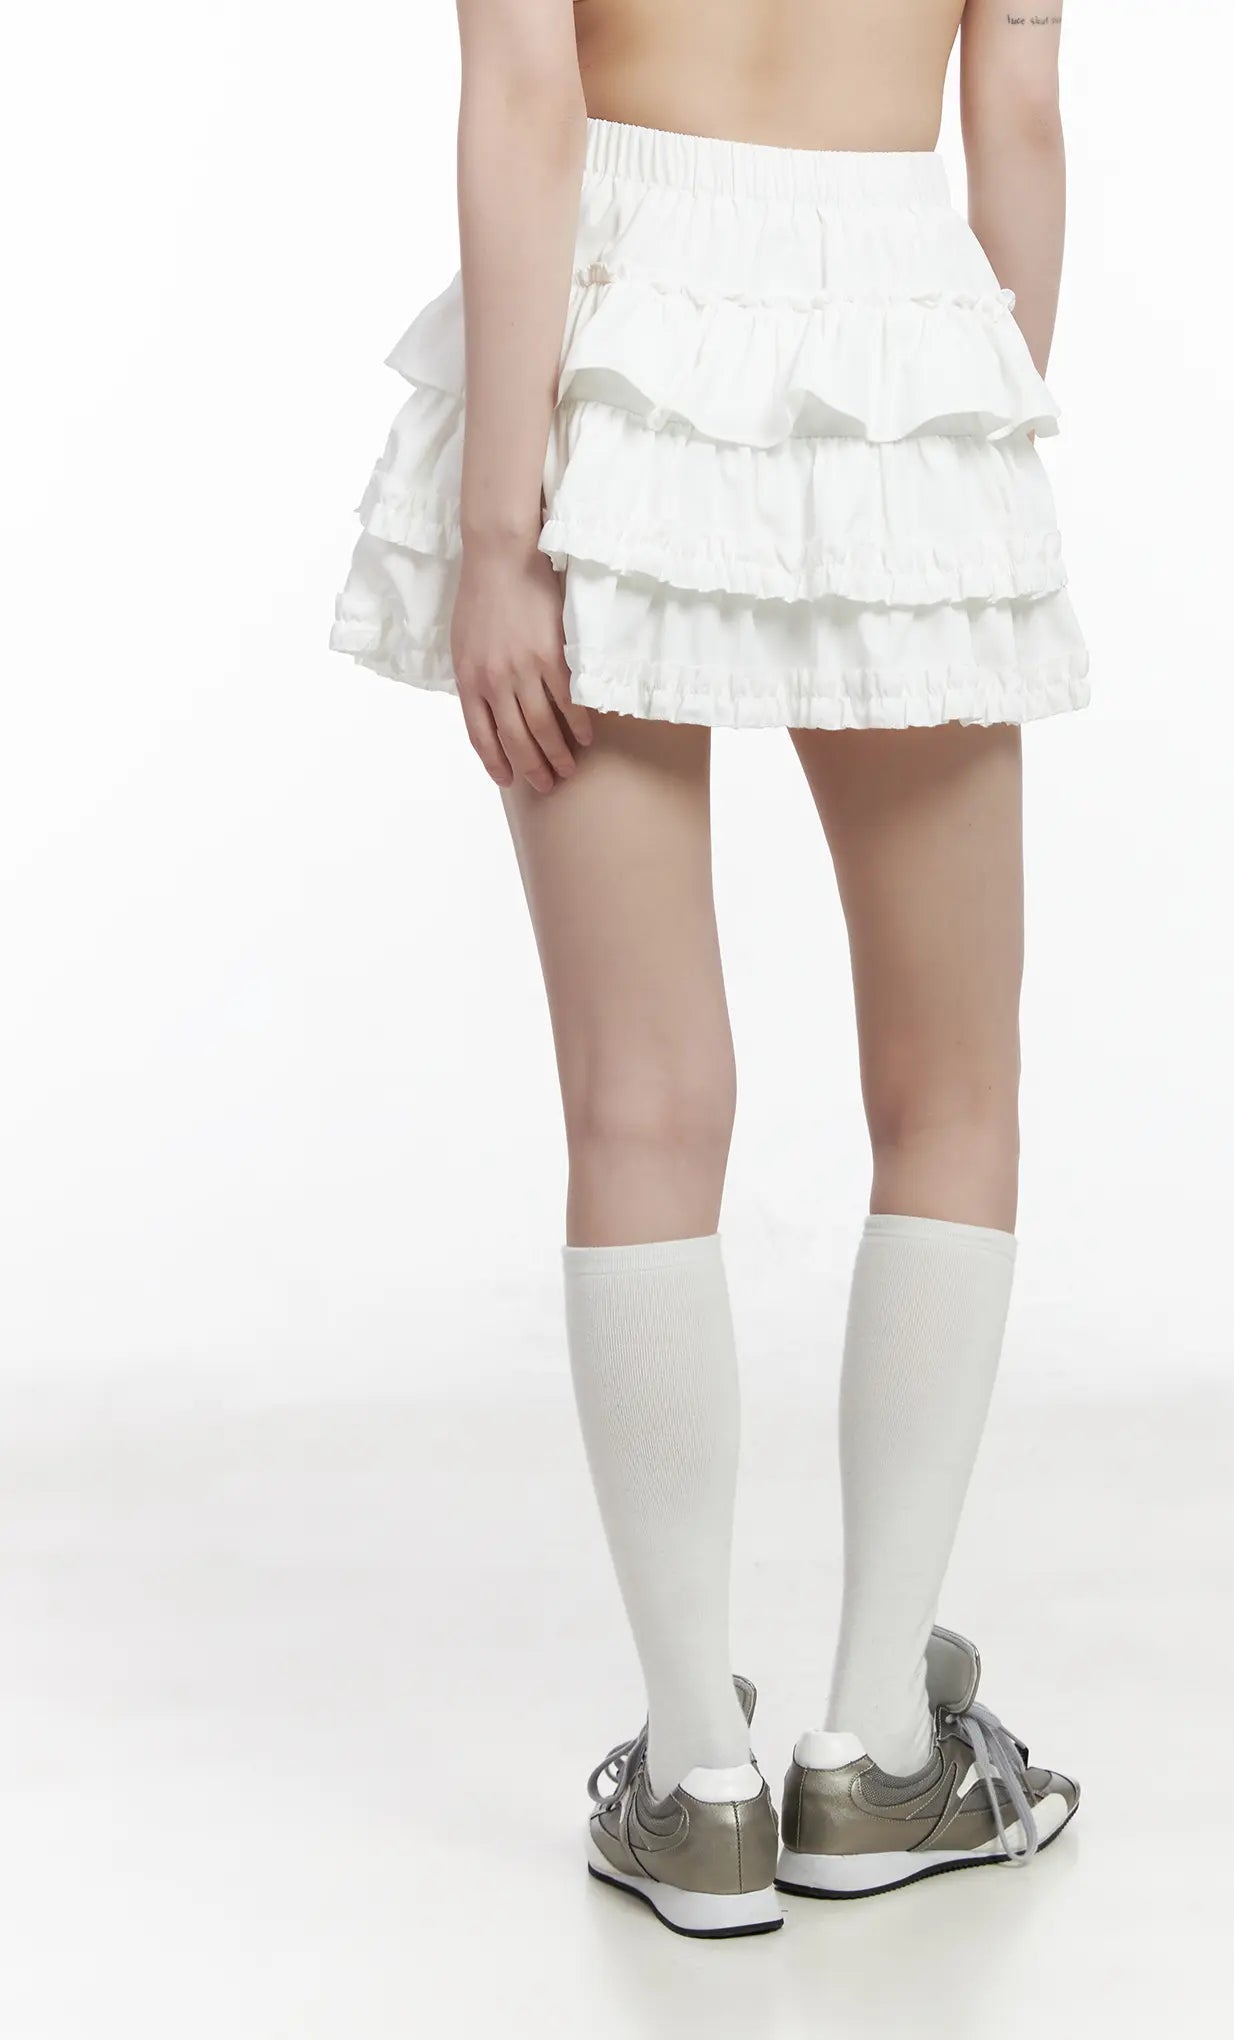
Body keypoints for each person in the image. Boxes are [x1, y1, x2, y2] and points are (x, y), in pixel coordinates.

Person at [332, 0, 1086, 1939]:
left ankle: (697, 1778)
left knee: (642, 1104)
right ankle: (878, 1747)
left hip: (609, 326)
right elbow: (1016, 95)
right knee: (954, 1090)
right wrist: (973, 438)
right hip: (903, 317)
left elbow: (527, 88)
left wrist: (502, 535)